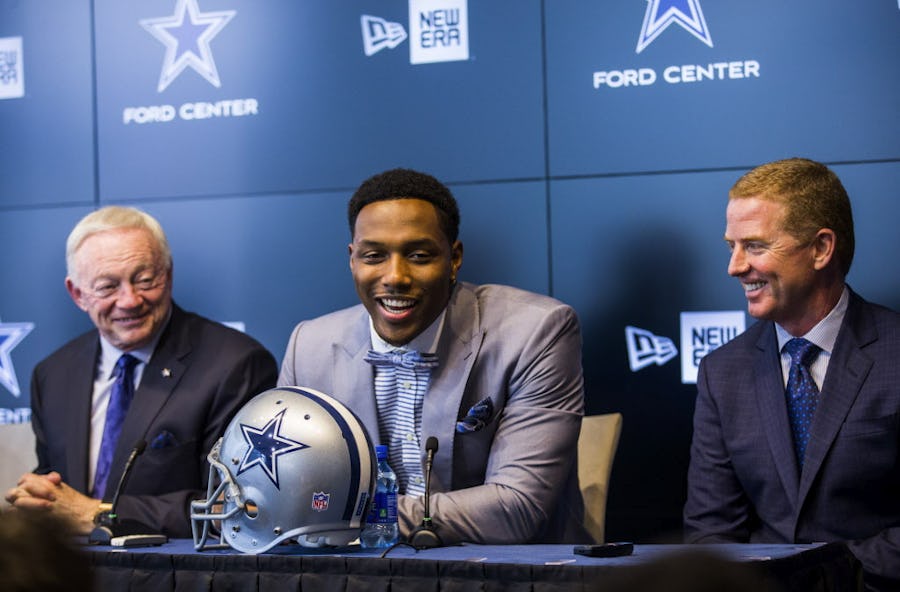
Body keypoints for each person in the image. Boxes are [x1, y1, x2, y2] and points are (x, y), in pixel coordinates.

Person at [279, 168, 587, 544]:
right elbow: (282, 487)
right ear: (352, 259)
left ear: (454, 258)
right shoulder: (308, 346)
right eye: (374, 256)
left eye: (419, 255)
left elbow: (516, 509)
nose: (395, 276)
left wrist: (346, 514)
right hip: (353, 567)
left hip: (505, 568)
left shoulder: (535, 331)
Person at [684, 158, 900, 590]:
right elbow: (711, 533)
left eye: (755, 246)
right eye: (731, 246)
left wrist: (821, 579)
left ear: (821, 249)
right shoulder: (722, 372)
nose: (735, 266)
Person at [4, 206, 278, 537]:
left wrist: (98, 513)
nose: (130, 300)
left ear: (168, 275)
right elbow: (61, 493)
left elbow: (237, 505)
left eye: (145, 280)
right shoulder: (53, 374)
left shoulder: (235, 364)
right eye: (107, 286)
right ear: (77, 294)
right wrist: (39, 499)